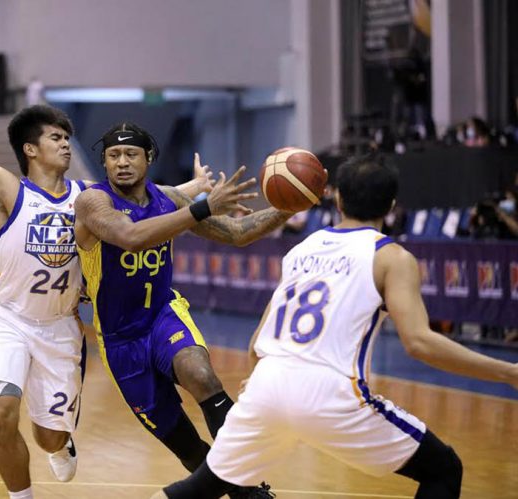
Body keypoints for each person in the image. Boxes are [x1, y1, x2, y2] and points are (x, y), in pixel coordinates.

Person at [0, 19, 212, 499]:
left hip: (63, 327)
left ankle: (59, 445)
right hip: (8, 319)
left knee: (49, 436)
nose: (66, 141)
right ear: (30, 148)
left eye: (67, 135)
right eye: (55, 136)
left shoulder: (92, 196)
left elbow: (157, 198)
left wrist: (196, 190)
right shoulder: (6, 190)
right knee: (0, 410)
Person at [152, 154, 518, 499]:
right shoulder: (391, 256)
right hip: (331, 393)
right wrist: (508, 372)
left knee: (196, 491)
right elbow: (420, 343)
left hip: (267, 384)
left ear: (337, 199)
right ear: (392, 207)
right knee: (443, 469)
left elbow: (256, 343)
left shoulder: (304, 247)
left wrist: (268, 387)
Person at [74, 122, 298, 498]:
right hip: (120, 340)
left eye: (131, 155)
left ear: (148, 159)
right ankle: (236, 489)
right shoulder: (93, 202)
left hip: (162, 314)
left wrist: (287, 208)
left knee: (201, 374)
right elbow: (130, 238)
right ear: (104, 162)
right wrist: (201, 205)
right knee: (188, 448)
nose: (122, 163)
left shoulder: (168, 199)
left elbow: (237, 232)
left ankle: (247, 487)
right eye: (114, 156)